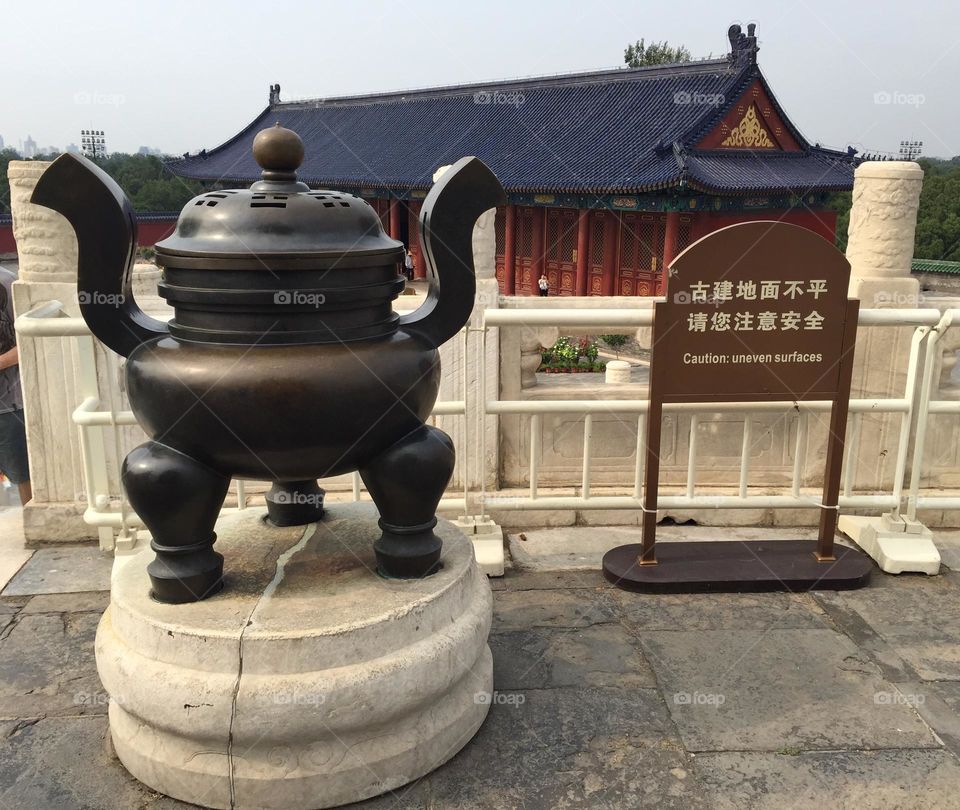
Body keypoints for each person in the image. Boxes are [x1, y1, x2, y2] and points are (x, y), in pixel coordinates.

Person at [0, 266, 30, 504]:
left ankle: (31, 528)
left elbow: (26, 342)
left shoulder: (6, 283)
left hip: (8, 403)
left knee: (23, 474)